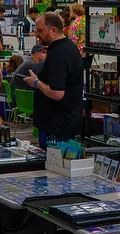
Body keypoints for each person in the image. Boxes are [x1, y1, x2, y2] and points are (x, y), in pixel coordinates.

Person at [24, 12, 84, 146]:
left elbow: (57, 93)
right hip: (60, 123)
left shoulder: (58, 53)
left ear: (53, 31)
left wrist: (36, 83)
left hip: (57, 127)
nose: (37, 34)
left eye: (40, 31)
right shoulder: (66, 47)